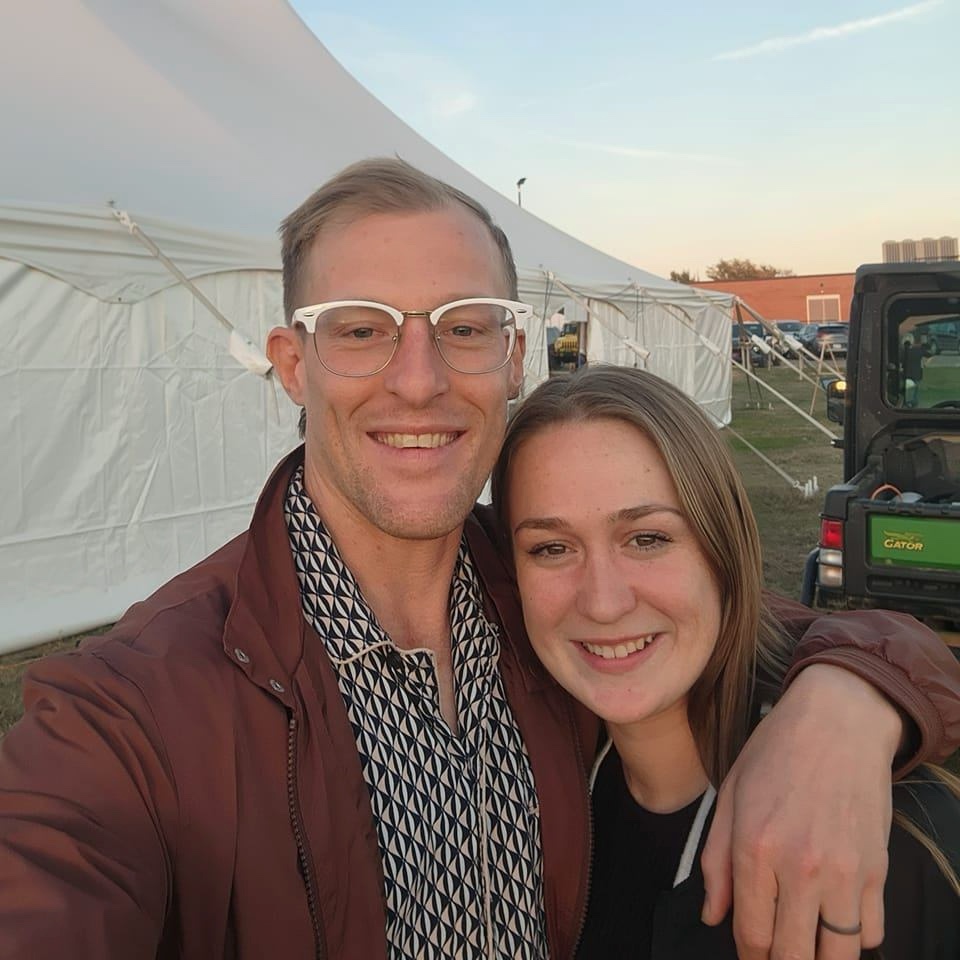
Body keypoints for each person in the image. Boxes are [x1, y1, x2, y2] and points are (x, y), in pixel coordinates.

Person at [1, 158, 959, 960]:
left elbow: (775, 633)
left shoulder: (543, 587)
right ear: (293, 365)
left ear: (513, 358)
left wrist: (844, 707)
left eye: (461, 327)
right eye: (363, 329)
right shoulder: (133, 711)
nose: (417, 382)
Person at [491, 365, 960, 960]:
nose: (603, 603)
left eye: (648, 538)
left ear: (723, 548)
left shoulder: (880, 840)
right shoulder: (524, 780)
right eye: (550, 548)